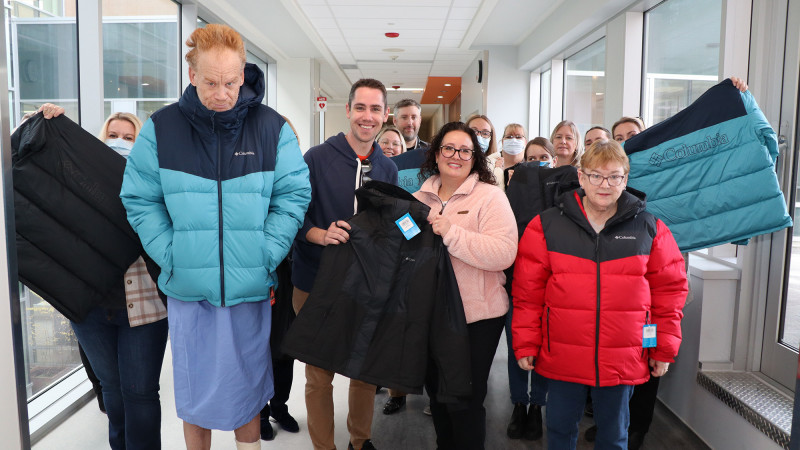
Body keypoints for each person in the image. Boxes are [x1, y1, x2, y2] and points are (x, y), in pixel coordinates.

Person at [120, 24, 311, 450]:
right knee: (195, 398)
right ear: (192, 75)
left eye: (229, 82)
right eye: (210, 82)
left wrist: (267, 252)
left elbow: (294, 194)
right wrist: (170, 254)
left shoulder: (271, 128)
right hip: (189, 291)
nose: (221, 93)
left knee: (247, 396)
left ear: (243, 75)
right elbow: (139, 198)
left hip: (250, 287)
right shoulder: (162, 128)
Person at [512, 140, 688, 450]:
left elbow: (669, 293)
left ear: (626, 179)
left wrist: (662, 348)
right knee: (559, 432)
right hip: (563, 353)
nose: (604, 185)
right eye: (595, 175)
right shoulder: (547, 226)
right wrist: (526, 341)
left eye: (614, 176)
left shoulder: (649, 229)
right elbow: (528, 292)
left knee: (614, 436)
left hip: (623, 355)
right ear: (581, 177)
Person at [33, 103, 169, 450]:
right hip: (90, 307)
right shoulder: (77, 185)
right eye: (112, 136)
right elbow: (35, 175)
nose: (119, 142)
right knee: (111, 389)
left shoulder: (156, 185)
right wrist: (45, 124)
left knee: (139, 393)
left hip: (143, 304)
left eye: (128, 137)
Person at [292, 78, 398, 450]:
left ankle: (360, 440)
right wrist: (318, 234)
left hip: (365, 285)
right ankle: (324, 446)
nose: (367, 117)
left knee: (364, 370)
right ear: (348, 110)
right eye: (360, 108)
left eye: (375, 109)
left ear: (385, 115)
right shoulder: (317, 159)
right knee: (319, 376)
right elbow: (289, 216)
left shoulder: (388, 169)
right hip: (315, 282)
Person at [414, 121, 518, 449]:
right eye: (449, 148)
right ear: (436, 153)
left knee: (466, 401)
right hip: (430, 317)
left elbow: (504, 253)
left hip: (477, 319)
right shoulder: (417, 199)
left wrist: (452, 233)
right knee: (439, 398)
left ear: (475, 157)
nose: (456, 156)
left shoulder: (490, 198)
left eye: (465, 150)